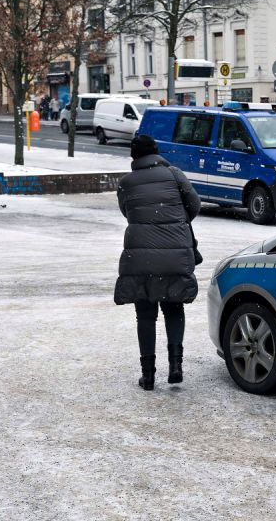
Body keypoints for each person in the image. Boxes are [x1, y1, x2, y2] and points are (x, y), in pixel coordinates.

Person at [114, 134, 202, 391]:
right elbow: (195, 205)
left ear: (134, 157)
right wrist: (175, 221)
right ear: (156, 152)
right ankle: (175, 366)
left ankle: (148, 375)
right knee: (174, 307)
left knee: (145, 313)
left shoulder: (126, 183)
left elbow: (128, 213)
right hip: (175, 251)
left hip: (140, 255)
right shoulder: (175, 174)